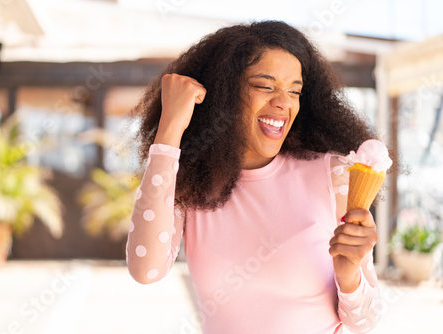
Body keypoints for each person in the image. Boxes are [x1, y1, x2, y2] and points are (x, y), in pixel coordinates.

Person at [127, 20, 386, 334]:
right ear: (225, 92)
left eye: (294, 90)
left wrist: (350, 277)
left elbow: (365, 323)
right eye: (265, 86)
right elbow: (146, 269)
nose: (283, 102)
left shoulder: (334, 174)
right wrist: (169, 131)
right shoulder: (193, 183)